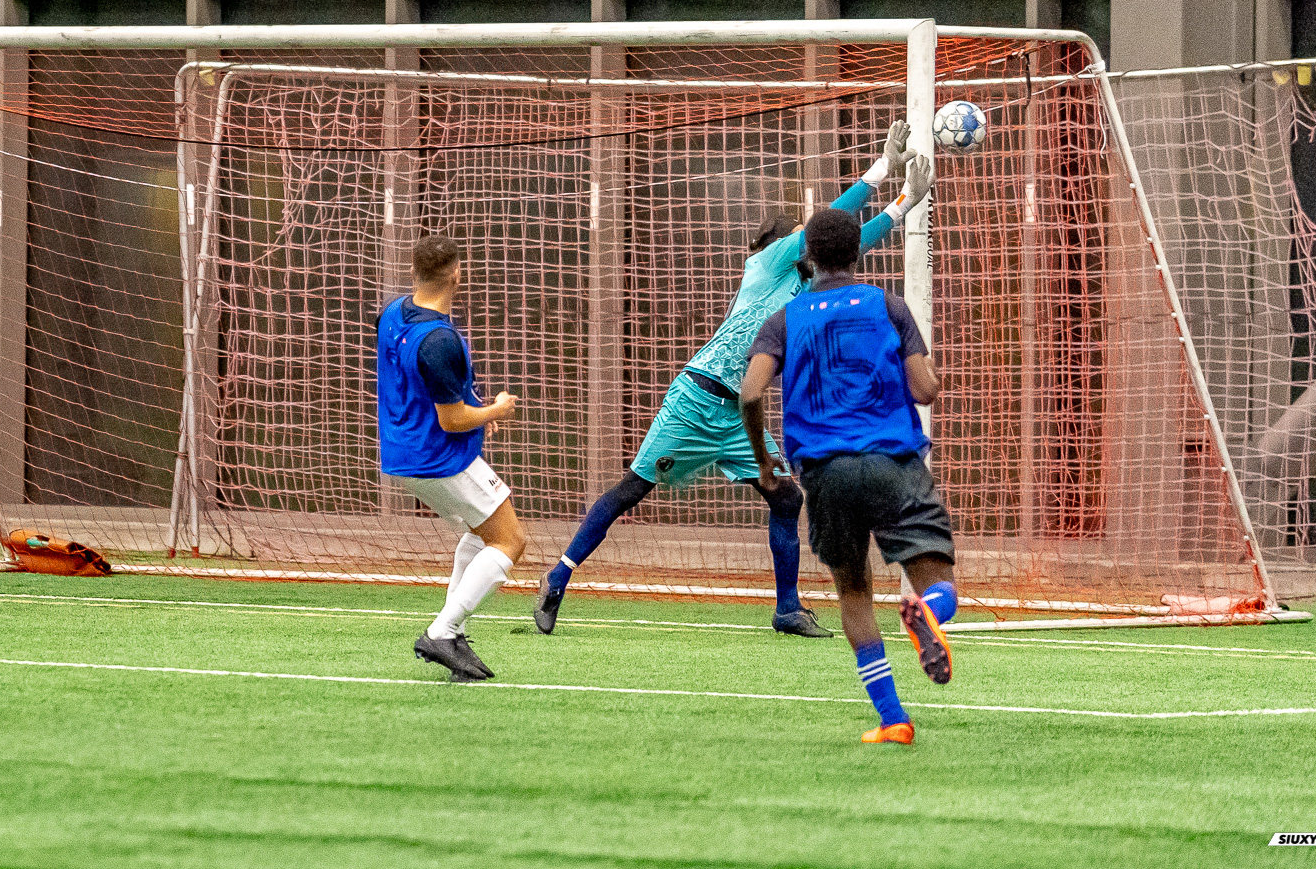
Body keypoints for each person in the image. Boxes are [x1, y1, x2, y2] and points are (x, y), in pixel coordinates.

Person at [534, 120, 934, 638]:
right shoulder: (765, 265)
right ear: (785, 245)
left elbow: (846, 241)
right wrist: (882, 172)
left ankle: (787, 609)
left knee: (786, 498)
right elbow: (830, 224)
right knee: (633, 488)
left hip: (737, 414)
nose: (805, 238)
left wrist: (903, 204)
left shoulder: (810, 289)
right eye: (797, 235)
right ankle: (558, 578)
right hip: (697, 400)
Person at [739, 207, 959, 746]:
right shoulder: (889, 307)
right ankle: (925, 612)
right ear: (858, 254)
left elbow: (749, 392)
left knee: (854, 591)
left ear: (808, 258)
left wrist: (764, 462)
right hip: (894, 464)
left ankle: (893, 720)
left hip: (826, 469)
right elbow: (925, 391)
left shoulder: (785, 319)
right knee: (940, 581)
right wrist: (933, 374)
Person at [377, 233, 526, 682]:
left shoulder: (393, 312)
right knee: (510, 540)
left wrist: (475, 409)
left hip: (402, 451)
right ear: (457, 273)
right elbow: (451, 420)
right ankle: (442, 631)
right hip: (439, 457)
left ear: (415, 271)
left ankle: (453, 630)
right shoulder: (438, 340)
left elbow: (435, 390)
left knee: (481, 532)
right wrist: (494, 410)